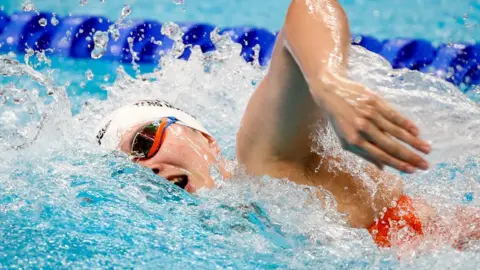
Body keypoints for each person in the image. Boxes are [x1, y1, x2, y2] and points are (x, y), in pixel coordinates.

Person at [95, 0, 479, 249]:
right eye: (129, 174)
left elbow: (309, 9)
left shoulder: (264, 162)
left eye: (144, 142)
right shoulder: (221, 237)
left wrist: (329, 83)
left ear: (206, 138)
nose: (146, 168)